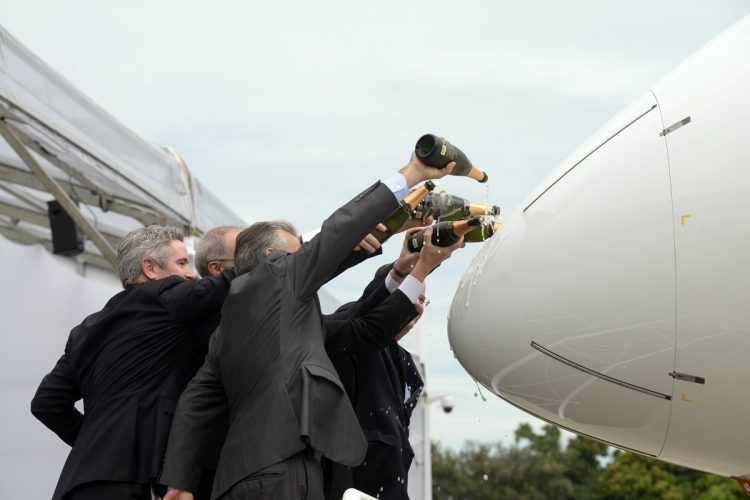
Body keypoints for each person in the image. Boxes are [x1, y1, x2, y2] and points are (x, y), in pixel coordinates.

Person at [162, 154, 461, 500]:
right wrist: (411, 175)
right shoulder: (277, 276)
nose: (305, 261)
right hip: (283, 470)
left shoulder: (232, 329)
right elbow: (339, 229)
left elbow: (360, 330)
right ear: (269, 260)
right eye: (297, 256)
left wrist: (180, 482)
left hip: (236, 481)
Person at [30, 225, 235, 500]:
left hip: (79, 483)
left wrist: (96, 445)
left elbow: (46, 403)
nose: (190, 273)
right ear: (149, 268)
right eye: (182, 262)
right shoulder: (167, 296)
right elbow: (223, 283)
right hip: (131, 484)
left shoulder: (86, 330)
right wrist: (269, 254)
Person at [324, 229, 429, 500]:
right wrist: (406, 270)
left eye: (421, 300)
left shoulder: (409, 368)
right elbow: (365, 312)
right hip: (349, 482)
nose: (416, 310)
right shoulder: (350, 329)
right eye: (409, 297)